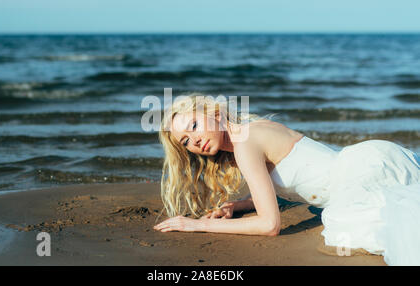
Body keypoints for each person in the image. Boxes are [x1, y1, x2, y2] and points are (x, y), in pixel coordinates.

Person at [153, 93, 420, 265]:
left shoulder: (245, 143)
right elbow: (296, 176)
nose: (194, 140)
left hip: (361, 174)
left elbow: (270, 225)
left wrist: (196, 226)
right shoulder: (247, 135)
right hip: (366, 161)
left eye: (194, 126)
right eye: (185, 141)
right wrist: (241, 205)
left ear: (215, 114)